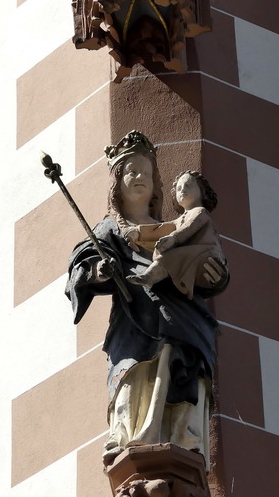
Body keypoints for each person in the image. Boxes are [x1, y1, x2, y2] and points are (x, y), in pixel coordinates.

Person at [65, 131, 229, 468]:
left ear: (156, 184)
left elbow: (206, 259)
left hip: (185, 319)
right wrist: (100, 271)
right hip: (136, 319)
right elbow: (82, 265)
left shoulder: (175, 229)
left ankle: (185, 439)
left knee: (183, 368)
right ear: (117, 182)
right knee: (135, 372)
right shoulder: (110, 229)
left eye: (146, 172)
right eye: (131, 171)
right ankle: (128, 435)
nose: (140, 177)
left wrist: (217, 277)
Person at [125, 170, 224, 299]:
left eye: (188, 185)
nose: (182, 190)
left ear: (202, 191)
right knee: (167, 255)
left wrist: (173, 239)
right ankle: (148, 277)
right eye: (179, 188)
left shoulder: (200, 212)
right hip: (193, 255)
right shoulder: (181, 219)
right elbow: (163, 228)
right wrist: (139, 232)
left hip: (207, 255)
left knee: (171, 255)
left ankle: (149, 277)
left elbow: (189, 228)